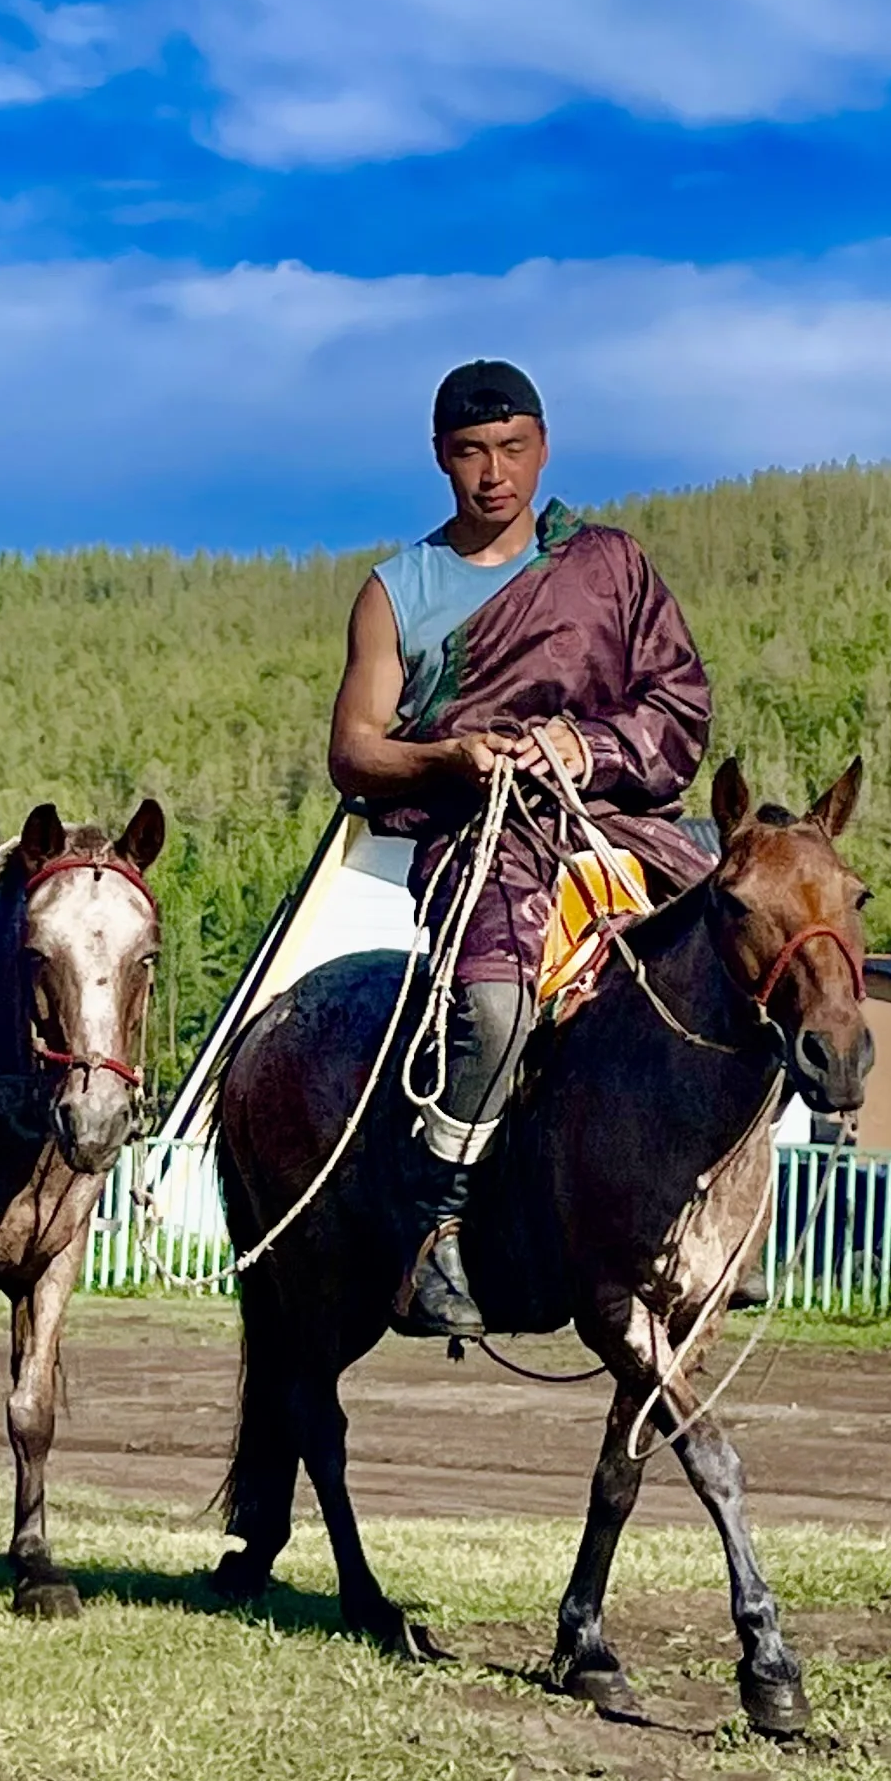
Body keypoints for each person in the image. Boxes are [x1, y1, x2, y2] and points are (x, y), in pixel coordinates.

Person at [327, 359, 714, 1338]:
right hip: (483, 839)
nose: (493, 473)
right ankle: (434, 1232)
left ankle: (712, 1217)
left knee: (744, 960)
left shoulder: (611, 566)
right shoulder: (396, 592)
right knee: (496, 1012)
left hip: (617, 824)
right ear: (439, 457)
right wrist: (449, 756)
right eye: (471, 452)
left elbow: (681, 708)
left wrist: (588, 747)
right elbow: (355, 752)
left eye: (512, 448)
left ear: (544, 448)